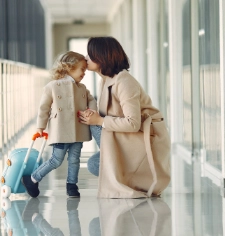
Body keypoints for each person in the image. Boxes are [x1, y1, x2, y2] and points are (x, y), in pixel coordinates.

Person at [78, 37, 171, 198]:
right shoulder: (106, 80)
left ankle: (132, 178)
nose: (86, 58)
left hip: (142, 138)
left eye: (90, 54)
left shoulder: (124, 82)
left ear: (101, 57)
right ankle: (123, 174)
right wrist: (93, 116)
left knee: (95, 161)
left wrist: (98, 121)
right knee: (95, 163)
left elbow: (133, 123)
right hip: (125, 136)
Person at [22, 51, 97, 198]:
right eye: (82, 69)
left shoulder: (82, 88)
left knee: (75, 159)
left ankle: (72, 186)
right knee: (56, 160)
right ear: (69, 67)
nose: (84, 73)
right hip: (61, 129)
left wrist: (92, 111)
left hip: (78, 129)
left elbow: (91, 99)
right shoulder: (53, 86)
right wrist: (40, 127)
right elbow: (44, 108)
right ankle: (32, 179)